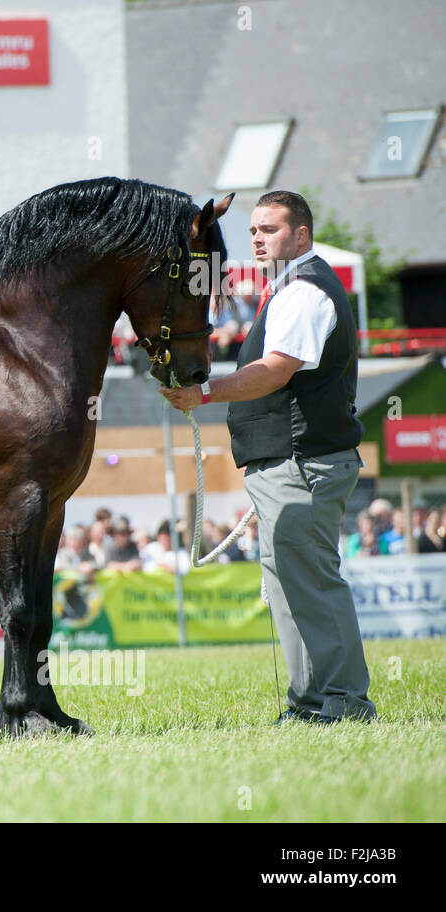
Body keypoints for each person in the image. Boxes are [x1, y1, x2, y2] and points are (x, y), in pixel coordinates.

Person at [159, 189, 375, 724]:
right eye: (254, 230)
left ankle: (346, 701)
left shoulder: (303, 291)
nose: (257, 238)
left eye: (270, 230)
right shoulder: (287, 288)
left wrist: (204, 394)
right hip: (287, 461)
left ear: (300, 235)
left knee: (311, 582)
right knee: (288, 586)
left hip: (303, 460)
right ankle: (309, 703)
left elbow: (276, 370)